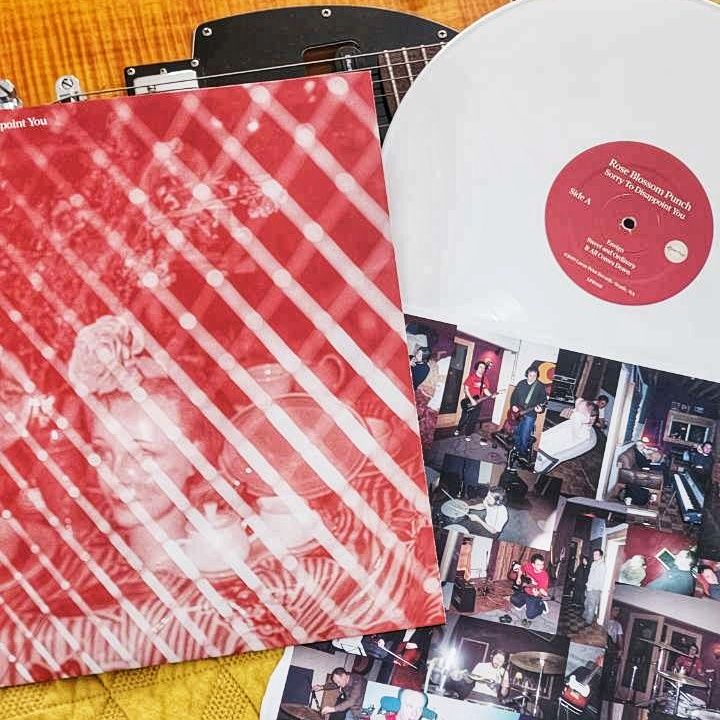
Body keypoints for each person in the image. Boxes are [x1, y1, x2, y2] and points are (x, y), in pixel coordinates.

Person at [533, 399, 598, 482]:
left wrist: (580, 416)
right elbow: (579, 400)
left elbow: (577, 419)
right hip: (540, 444)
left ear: (586, 418)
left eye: (578, 411)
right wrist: (577, 410)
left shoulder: (584, 434)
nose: (574, 411)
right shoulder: (577, 423)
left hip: (543, 457)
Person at [509, 367, 548, 461]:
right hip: (518, 413)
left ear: (537, 376)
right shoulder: (521, 383)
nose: (532, 377)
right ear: (527, 374)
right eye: (530, 375)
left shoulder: (540, 386)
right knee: (517, 432)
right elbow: (514, 396)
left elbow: (544, 401)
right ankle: (516, 449)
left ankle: (522, 454)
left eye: (535, 376)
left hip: (530, 414)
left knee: (525, 435)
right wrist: (513, 405)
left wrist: (540, 409)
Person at [454, 360, 494, 441]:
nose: (482, 369)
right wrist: (471, 399)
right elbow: (466, 389)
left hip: (479, 402)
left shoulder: (485, 379)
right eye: (480, 367)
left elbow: (485, 390)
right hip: (469, 401)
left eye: (484, 368)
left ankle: (468, 434)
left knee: (473, 419)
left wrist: (491, 395)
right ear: (477, 368)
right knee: (465, 418)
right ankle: (458, 429)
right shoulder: (472, 377)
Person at [510, 553, 549, 626]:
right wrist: (518, 578)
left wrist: (538, 594)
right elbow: (521, 569)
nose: (541, 567)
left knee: (530, 615)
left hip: (534, 595)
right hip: (525, 591)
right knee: (513, 599)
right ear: (533, 565)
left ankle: (542, 605)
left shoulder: (544, 575)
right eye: (538, 564)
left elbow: (543, 592)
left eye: (542, 564)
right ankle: (525, 603)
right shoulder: (528, 566)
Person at [584, 548, 606, 625]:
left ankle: (588, 621)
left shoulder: (602, 565)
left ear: (601, 556)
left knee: (591, 606)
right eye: (594, 554)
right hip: (589, 587)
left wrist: (591, 588)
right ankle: (585, 616)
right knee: (586, 603)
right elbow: (591, 576)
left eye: (596, 554)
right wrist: (587, 585)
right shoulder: (593, 563)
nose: (594, 556)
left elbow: (600, 579)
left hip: (595, 589)